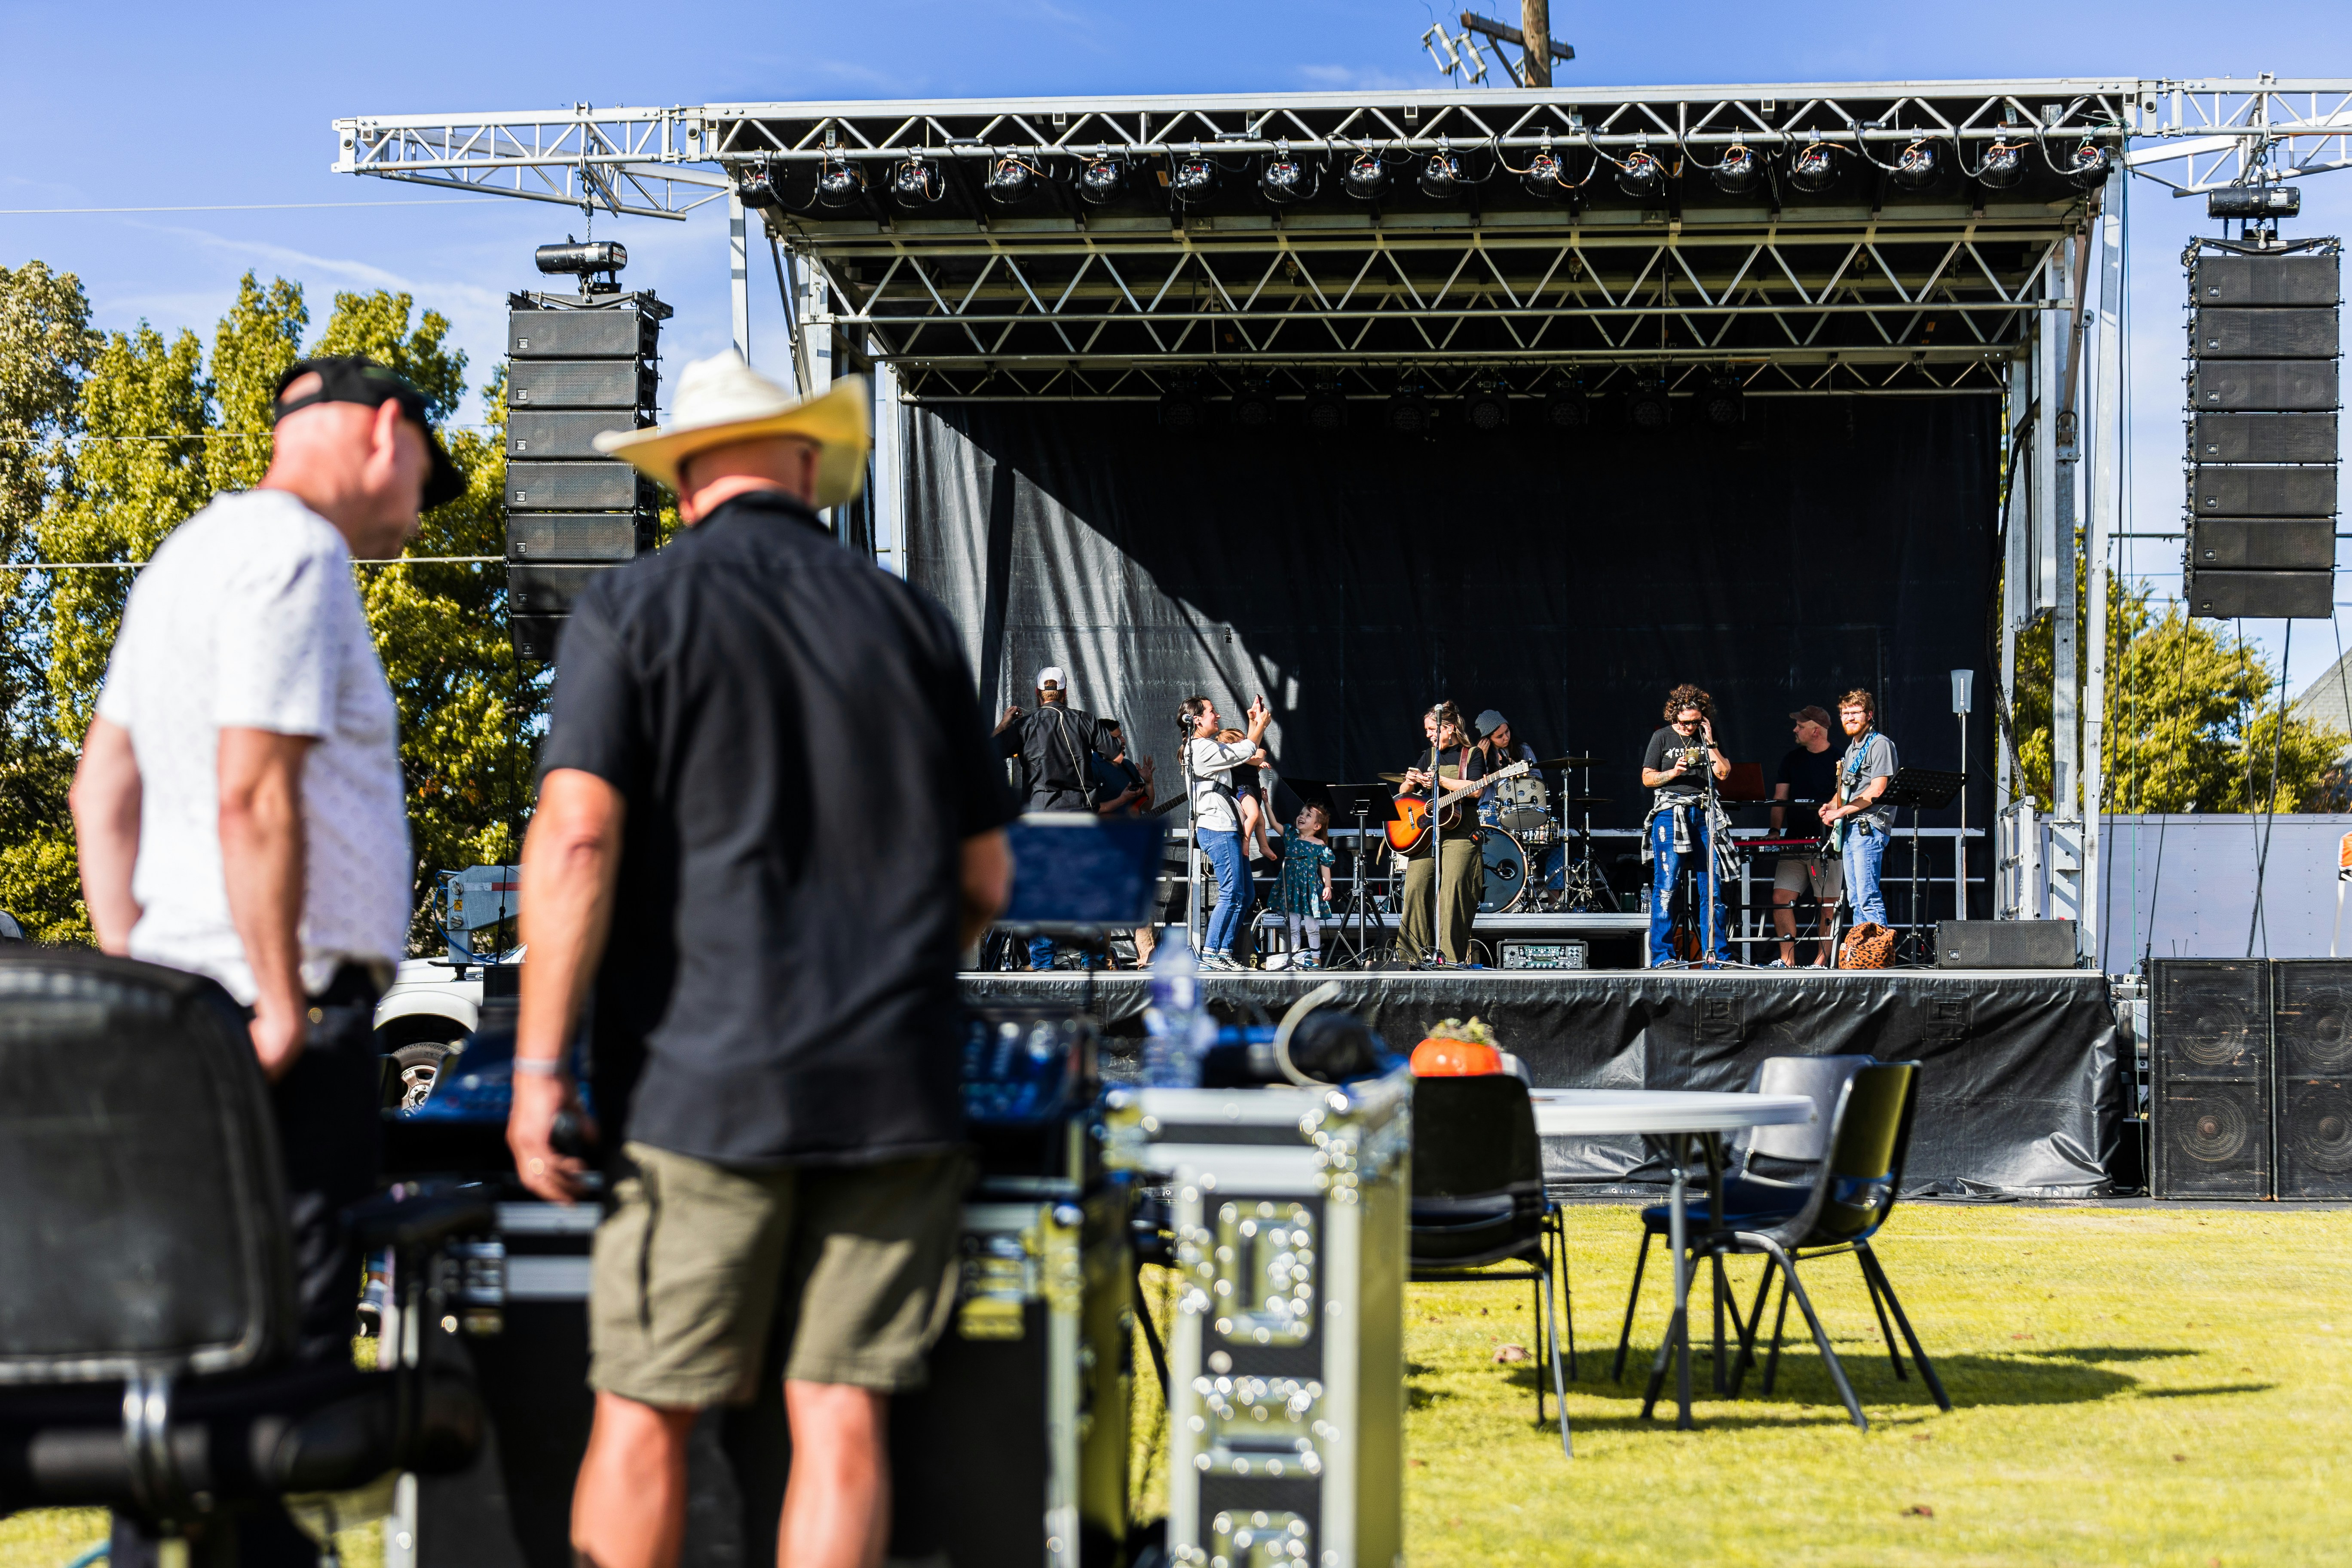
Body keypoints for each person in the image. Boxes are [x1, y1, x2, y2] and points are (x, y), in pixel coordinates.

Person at [504, 354, 1015, 1568]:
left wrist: (539, 1069)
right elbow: (986, 880)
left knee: (647, 1412)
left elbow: (576, 838)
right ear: (806, 465)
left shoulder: (629, 612)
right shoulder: (911, 622)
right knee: (841, 1421)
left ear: (683, 482)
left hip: (694, 1089)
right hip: (892, 1090)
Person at [70, 355, 462, 1568]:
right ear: (387, 432)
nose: (417, 517)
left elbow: (102, 789)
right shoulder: (300, 555)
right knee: (274, 1398)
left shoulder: (188, 554)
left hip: (177, 1018)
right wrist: (285, 1007)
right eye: (426, 487)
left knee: (182, 1388)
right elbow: (254, 791)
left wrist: (128, 976)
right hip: (275, 1022)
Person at [995, 667, 1116, 969]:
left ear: (1039, 694)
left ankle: (1043, 964)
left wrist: (1004, 725)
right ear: (1065, 693)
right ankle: (1093, 962)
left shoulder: (1025, 725)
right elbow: (1115, 753)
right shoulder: (1084, 720)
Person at [1640, 684, 1735, 967]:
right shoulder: (1662, 737)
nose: (1690, 727)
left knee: (1712, 888)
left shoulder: (1708, 738)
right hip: (1671, 812)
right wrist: (1673, 772)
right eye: (1685, 722)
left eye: (1696, 722)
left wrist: (1711, 740)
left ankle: (1714, 955)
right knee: (1667, 886)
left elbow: (1724, 773)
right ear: (1675, 717)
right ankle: (1663, 956)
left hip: (1705, 812)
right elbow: (1647, 778)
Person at [1182, 693, 1271, 971]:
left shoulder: (1205, 747)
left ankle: (1222, 952)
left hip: (1227, 827)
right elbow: (1244, 751)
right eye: (1211, 712)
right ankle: (1212, 953)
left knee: (1243, 894)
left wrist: (1255, 723)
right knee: (1232, 892)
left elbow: (1243, 752)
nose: (1217, 716)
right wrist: (1260, 725)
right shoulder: (1199, 749)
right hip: (1217, 828)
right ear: (1196, 720)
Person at [1397, 702, 1490, 965]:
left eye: (1432, 729)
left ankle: (1449, 960)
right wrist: (1410, 781)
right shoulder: (1429, 756)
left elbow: (1474, 790)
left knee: (1454, 892)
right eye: (1426, 730)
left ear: (1448, 729)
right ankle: (1408, 958)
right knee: (1415, 887)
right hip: (1427, 832)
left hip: (1461, 832)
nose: (1428, 735)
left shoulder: (1472, 755)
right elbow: (1405, 795)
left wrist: (1440, 781)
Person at [1769, 705, 1844, 967]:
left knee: (1828, 904)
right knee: (1781, 898)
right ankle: (1786, 959)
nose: (1795, 730)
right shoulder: (1791, 760)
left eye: (1800, 726)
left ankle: (1821, 962)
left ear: (1816, 731)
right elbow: (1780, 799)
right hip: (1794, 843)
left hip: (1828, 845)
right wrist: (1775, 831)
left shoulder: (1841, 761)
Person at [1819, 688, 1898, 937]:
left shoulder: (1879, 744)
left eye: (1856, 713)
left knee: (1868, 897)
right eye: (1845, 713)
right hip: (1852, 828)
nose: (1850, 718)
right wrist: (1832, 806)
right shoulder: (1852, 749)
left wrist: (1840, 812)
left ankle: (1878, 957)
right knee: (1855, 899)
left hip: (1868, 827)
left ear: (1869, 715)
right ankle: (1862, 956)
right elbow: (1845, 790)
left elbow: (1877, 791)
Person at [1272, 802, 1336, 968]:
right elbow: (1274, 824)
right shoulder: (1291, 836)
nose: (1302, 817)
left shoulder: (1319, 844)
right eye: (1301, 814)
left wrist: (1328, 886)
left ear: (1317, 826)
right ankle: (1295, 958)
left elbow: (1325, 866)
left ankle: (1315, 958)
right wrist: (1265, 802)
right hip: (1292, 888)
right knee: (1293, 926)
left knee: (1312, 926)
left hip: (1310, 890)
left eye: (1308, 816)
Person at [1472, 708, 1539, 829]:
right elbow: (1474, 785)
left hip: (1521, 804)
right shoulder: (1480, 753)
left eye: (1507, 731)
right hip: (1491, 808)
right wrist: (1481, 757)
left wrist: (1519, 768)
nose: (1506, 737)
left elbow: (1538, 778)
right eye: (1499, 736)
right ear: (1488, 739)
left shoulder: (1523, 749)